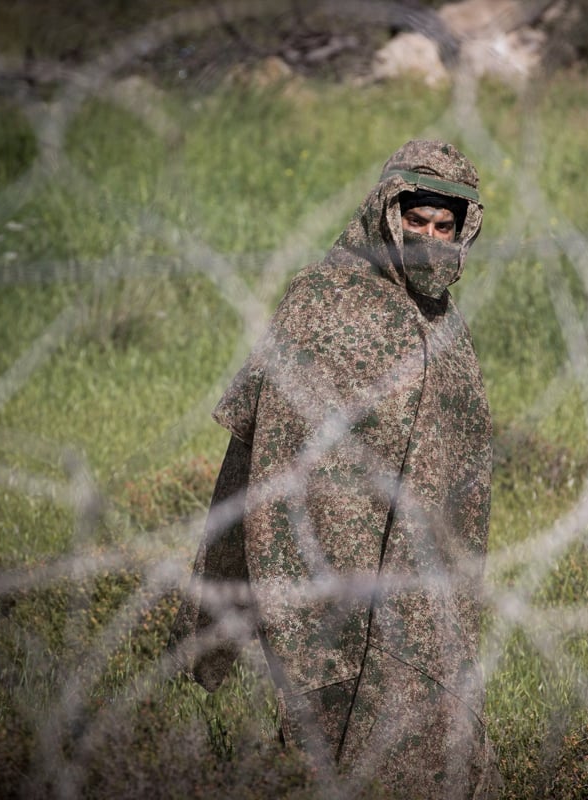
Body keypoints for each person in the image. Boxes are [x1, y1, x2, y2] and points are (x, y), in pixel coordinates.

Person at [170, 140, 498, 798]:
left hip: (428, 575)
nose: (430, 238)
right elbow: (261, 453)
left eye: (445, 225)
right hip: (334, 570)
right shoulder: (325, 303)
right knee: (346, 740)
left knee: (437, 736)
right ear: (386, 213)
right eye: (416, 220)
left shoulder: (444, 323)